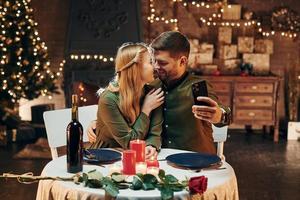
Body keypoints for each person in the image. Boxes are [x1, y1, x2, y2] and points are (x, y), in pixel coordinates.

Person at [88, 31, 231, 154]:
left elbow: (220, 111)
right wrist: (100, 123)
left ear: (182, 61)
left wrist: (219, 115)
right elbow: (125, 111)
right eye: (153, 61)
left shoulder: (197, 86)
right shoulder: (151, 87)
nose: (156, 67)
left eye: (162, 63)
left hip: (195, 160)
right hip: (159, 159)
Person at [88, 42, 164, 159]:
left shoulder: (153, 93)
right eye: (150, 62)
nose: (155, 66)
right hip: (104, 159)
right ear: (135, 68)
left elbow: (155, 132)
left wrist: (151, 145)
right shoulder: (109, 99)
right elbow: (130, 143)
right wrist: (146, 109)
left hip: (138, 157)